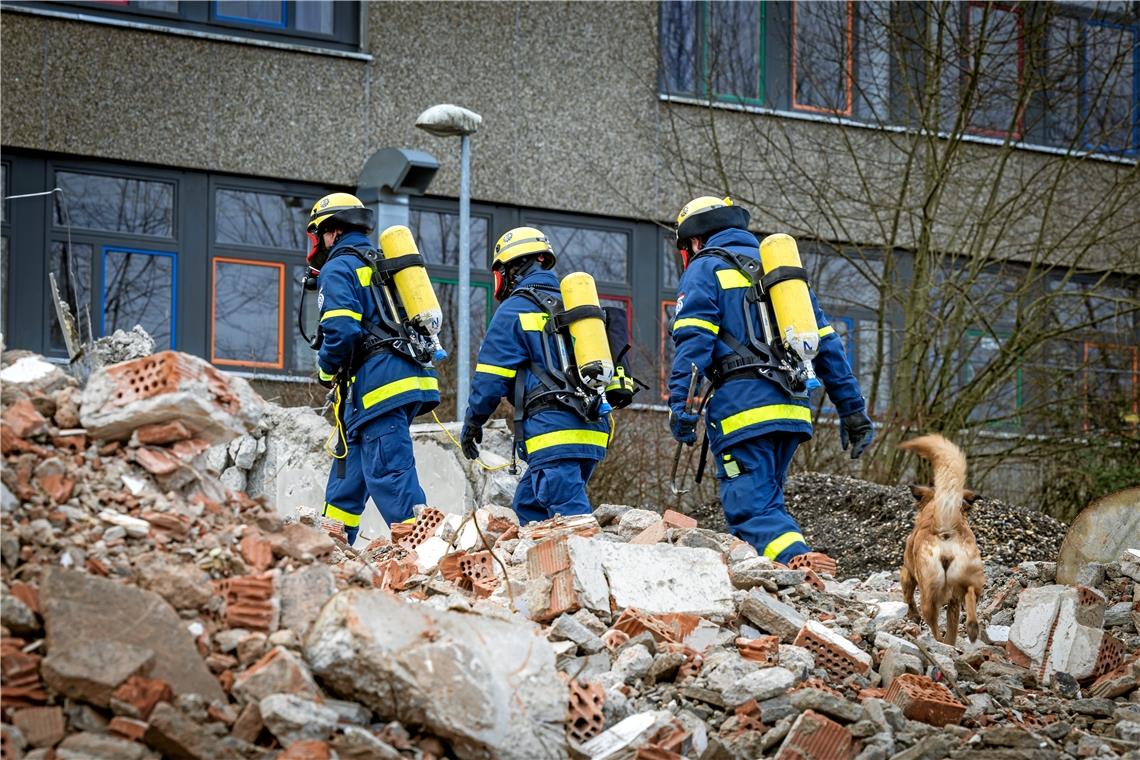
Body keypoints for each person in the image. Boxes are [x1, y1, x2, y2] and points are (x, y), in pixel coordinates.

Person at [668, 196, 873, 565]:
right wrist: (853, 412)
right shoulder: (781, 275)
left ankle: (802, 567)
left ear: (694, 240)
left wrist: (682, 406)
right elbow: (828, 347)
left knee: (751, 512)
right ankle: (777, 586)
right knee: (766, 502)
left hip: (742, 410)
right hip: (792, 407)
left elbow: (693, 342)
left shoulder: (706, 267)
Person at [305, 192, 439, 544]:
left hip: (380, 385)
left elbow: (341, 330)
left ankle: (425, 552)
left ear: (331, 230)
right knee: (349, 476)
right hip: (391, 381)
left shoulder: (339, 266)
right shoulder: (380, 263)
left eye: (318, 234)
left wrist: (324, 369)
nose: (317, 243)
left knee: (388, 473)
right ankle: (331, 549)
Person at [459, 227, 611, 524]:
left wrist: (473, 422)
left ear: (511, 269)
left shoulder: (514, 310)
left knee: (571, 521)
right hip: (592, 427)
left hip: (552, 431)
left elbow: (490, 380)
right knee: (529, 507)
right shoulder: (577, 305)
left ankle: (593, 567)